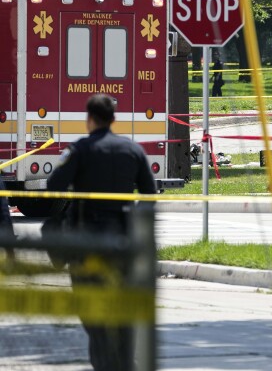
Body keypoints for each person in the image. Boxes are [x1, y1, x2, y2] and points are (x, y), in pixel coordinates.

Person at [48, 94, 157, 371]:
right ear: (114, 119)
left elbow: (53, 184)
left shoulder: (80, 150)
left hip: (87, 244)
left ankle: (105, 362)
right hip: (123, 243)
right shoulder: (132, 150)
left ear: (89, 119)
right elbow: (149, 194)